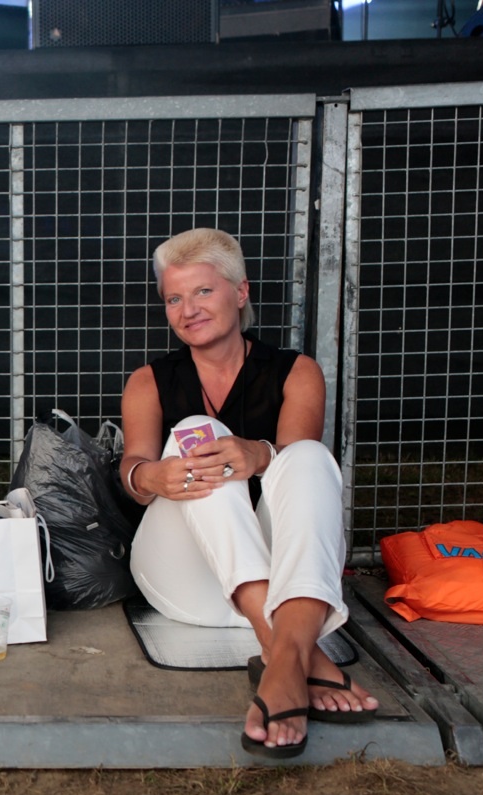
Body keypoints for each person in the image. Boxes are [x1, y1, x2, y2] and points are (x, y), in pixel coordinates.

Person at [119, 227, 379, 760]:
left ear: (240, 292)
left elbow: (301, 483)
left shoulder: (296, 373)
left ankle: (281, 658)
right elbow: (130, 472)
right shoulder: (148, 380)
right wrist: (151, 477)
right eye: (174, 298)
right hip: (183, 579)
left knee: (307, 456)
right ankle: (292, 654)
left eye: (203, 292)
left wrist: (261, 453)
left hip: (283, 579)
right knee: (199, 432)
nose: (187, 309)